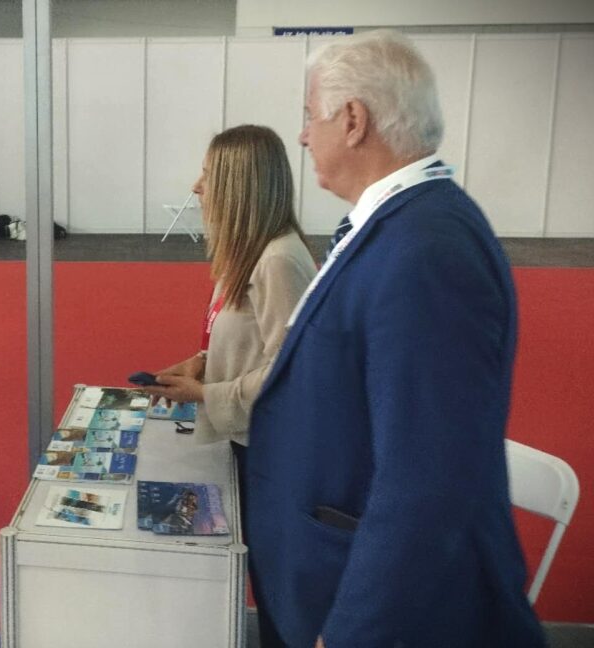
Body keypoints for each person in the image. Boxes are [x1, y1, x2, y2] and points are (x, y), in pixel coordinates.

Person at [244, 30, 545, 647]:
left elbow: (429, 479)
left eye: (310, 116)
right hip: (328, 577)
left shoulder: (428, 250)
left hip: (382, 617)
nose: (303, 136)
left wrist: (354, 632)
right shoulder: (397, 226)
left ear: (353, 120)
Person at [143, 124, 316, 646]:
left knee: (278, 590)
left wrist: (205, 395)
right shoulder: (251, 254)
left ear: (239, 185)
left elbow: (290, 371)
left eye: (208, 176)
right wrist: (201, 364)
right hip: (250, 443)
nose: (197, 187)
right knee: (265, 579)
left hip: (273, 454)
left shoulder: (279, 260)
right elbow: (250, 340)